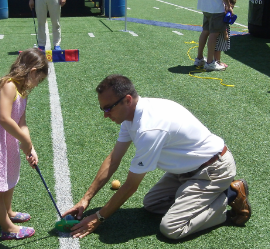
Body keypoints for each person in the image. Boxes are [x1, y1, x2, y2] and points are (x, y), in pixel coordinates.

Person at [63, 75, 251, 239]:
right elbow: (113, 159)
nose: (105, 115)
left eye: (108, 108)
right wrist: (85, 199)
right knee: (152, 204)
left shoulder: (149, 128)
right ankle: (193, 196)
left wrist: (98, 218)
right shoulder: (131, 116)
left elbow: (130, 186)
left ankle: (230, 195)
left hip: (213, 169)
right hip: (184, 170)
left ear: (127, 100)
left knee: (171, 228)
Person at [0, 48, 49, 240]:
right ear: (33, 71)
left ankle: (9, 212)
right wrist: (24, 139)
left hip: (9, 141)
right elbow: (4, 118)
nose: (38, 84)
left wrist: (30, 147)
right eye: (40, 79)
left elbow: (21, 121)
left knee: (9, 177)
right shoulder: (9, 85)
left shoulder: (23, 90)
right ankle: (7, 228)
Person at [193, 0, 232, 71]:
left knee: (205, 31)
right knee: (214, 34)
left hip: (205, 6)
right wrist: (228, 6)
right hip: (215, 8)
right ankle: (210, 62)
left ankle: (199, 58)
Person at [214, 0, 237, 68]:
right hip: (222, 31)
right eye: (231, 3)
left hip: (220, 30)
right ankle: (217, 61)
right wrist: (225, 33)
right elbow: (223, 23)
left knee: (216, 47)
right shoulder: (223, 12)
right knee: (219, 47)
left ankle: (215, 60)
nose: (232, 6)